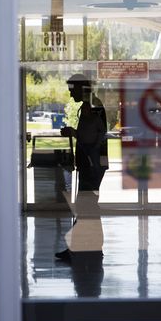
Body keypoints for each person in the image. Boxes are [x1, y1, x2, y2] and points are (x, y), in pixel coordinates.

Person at [55, 73, 108, 261]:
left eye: (72, 90)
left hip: (91, 163)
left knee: (87, 205)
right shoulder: (93, 104)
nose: (70, 95)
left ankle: (82, 248)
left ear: (80, 88)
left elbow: (89, 137)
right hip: (94, 163)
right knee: (88, 205)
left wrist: (72, 132)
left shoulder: (90, 106)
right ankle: (83, 247)